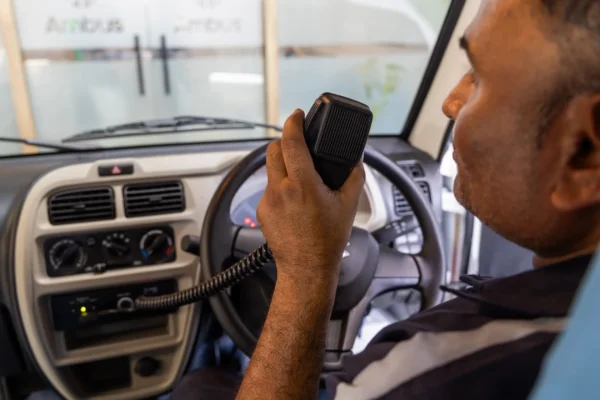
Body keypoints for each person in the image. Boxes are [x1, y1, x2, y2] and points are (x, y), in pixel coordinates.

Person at [171, 0, 600, 398]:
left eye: (478, 76)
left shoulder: (438, 365)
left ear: (583, 152)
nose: (450, 103)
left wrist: (308, 270)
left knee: (200, 385)